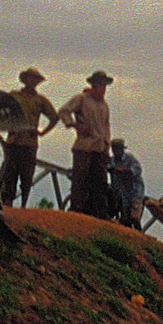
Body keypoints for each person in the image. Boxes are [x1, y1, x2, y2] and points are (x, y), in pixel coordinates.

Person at [58, 70, 113, 217]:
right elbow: (63, 111)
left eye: (104, 86)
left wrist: (106, 148)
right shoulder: (82, 99)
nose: (103, 89)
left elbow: (106, 128)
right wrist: (76, 126)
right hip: (84, 146)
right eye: (101, 85)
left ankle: (101, 213)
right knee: (80, 179)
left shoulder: (104, 105)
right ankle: (76, 209)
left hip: (99, 148)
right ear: (94, 85)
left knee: (100, 182)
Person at [0, 67, 58, 207]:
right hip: (13, 141)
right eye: (30, 78)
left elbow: (54, 117)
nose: (32, 81)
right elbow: (2, 111)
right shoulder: (14, 95)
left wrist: (41, 132)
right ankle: (8, 202)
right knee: (10, 174)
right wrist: (9, 126)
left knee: (26, 176)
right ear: (25, 79)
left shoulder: (40, 100)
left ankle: (24, 204)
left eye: (35, 79)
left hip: (29, 143)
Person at [107, 138, 144, 227]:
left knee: (134, 218)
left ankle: (139, 235)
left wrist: (124, 170)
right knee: (125, 219)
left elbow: (137, 170)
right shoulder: (111, 161)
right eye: (114, 148)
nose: (116, 151)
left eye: (118, 148)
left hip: (134, 193)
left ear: (122, 149)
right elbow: (106, 167)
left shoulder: (130, 159)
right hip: (120, 195)